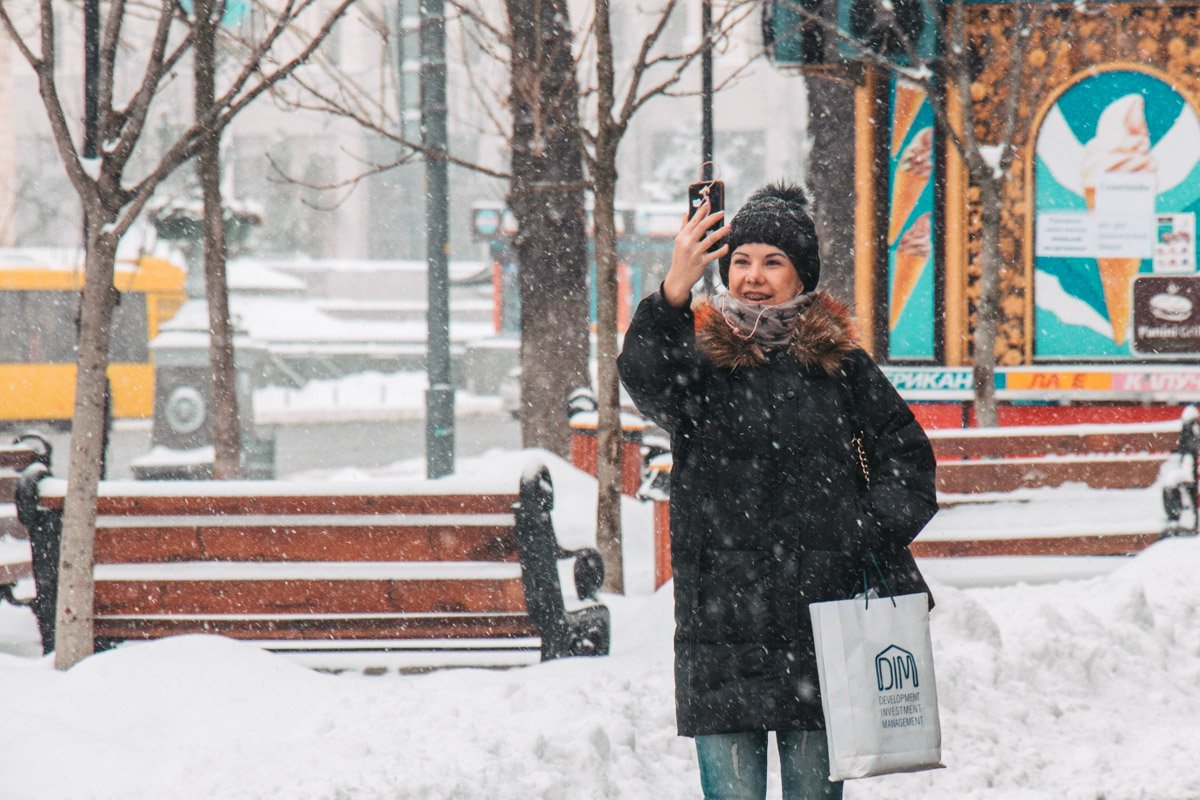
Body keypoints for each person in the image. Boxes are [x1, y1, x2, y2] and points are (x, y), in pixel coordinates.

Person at [617, 182, 938, 800]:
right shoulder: (702, 363)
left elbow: (910, 464)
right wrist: (672, 292)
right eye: (741, 260)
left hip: (822, 628)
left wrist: (855, 535)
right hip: (721, 628)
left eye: (773, 262)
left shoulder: (840, 366)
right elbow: (645, 378)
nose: (754, 277)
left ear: (802, 275)